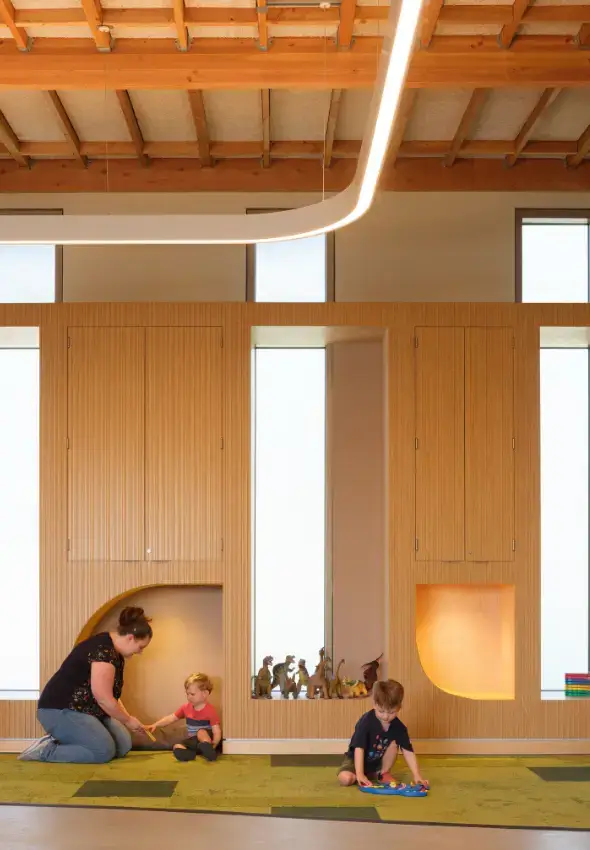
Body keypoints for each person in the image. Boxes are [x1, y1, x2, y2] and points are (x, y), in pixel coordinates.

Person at [19, 606, 152, 764]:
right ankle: (46, 750)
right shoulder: (103, 651)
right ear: (130, 638)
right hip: (61, 709)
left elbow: (110, 696)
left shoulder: (115, 653)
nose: (140, 652)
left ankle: (75, 741)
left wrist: (128, 719)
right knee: (102, 752)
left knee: (123, 745)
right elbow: (103, 698)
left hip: (87, 710)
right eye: (141, 647)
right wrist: (128, 720)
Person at [337, 679, 427, 788]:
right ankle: (363, 775)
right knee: (346, 779)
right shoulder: (366, 722)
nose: (385, 716)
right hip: (355, 761)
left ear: (399, 708)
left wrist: (417, 775)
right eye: (381, 711)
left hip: (376, 763)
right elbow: (359, 748)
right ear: (374, 704)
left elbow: (408, 751)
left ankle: (383, 773)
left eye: (391, 712)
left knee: (394, 743)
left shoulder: (399, 727)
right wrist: (359, 774)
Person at [148, 672, 221, 762]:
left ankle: (208, 750)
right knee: (177, 746)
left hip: (207, 739)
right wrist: (155, 725)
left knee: (201, 732)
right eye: (187, 694)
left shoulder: (210, 710)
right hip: (193, 741)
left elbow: (216, 731)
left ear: (204, 694)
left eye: (192, 694)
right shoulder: (185, 708)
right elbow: (171, 718)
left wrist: (214, 744)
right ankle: (189, 755)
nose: (189, 697)